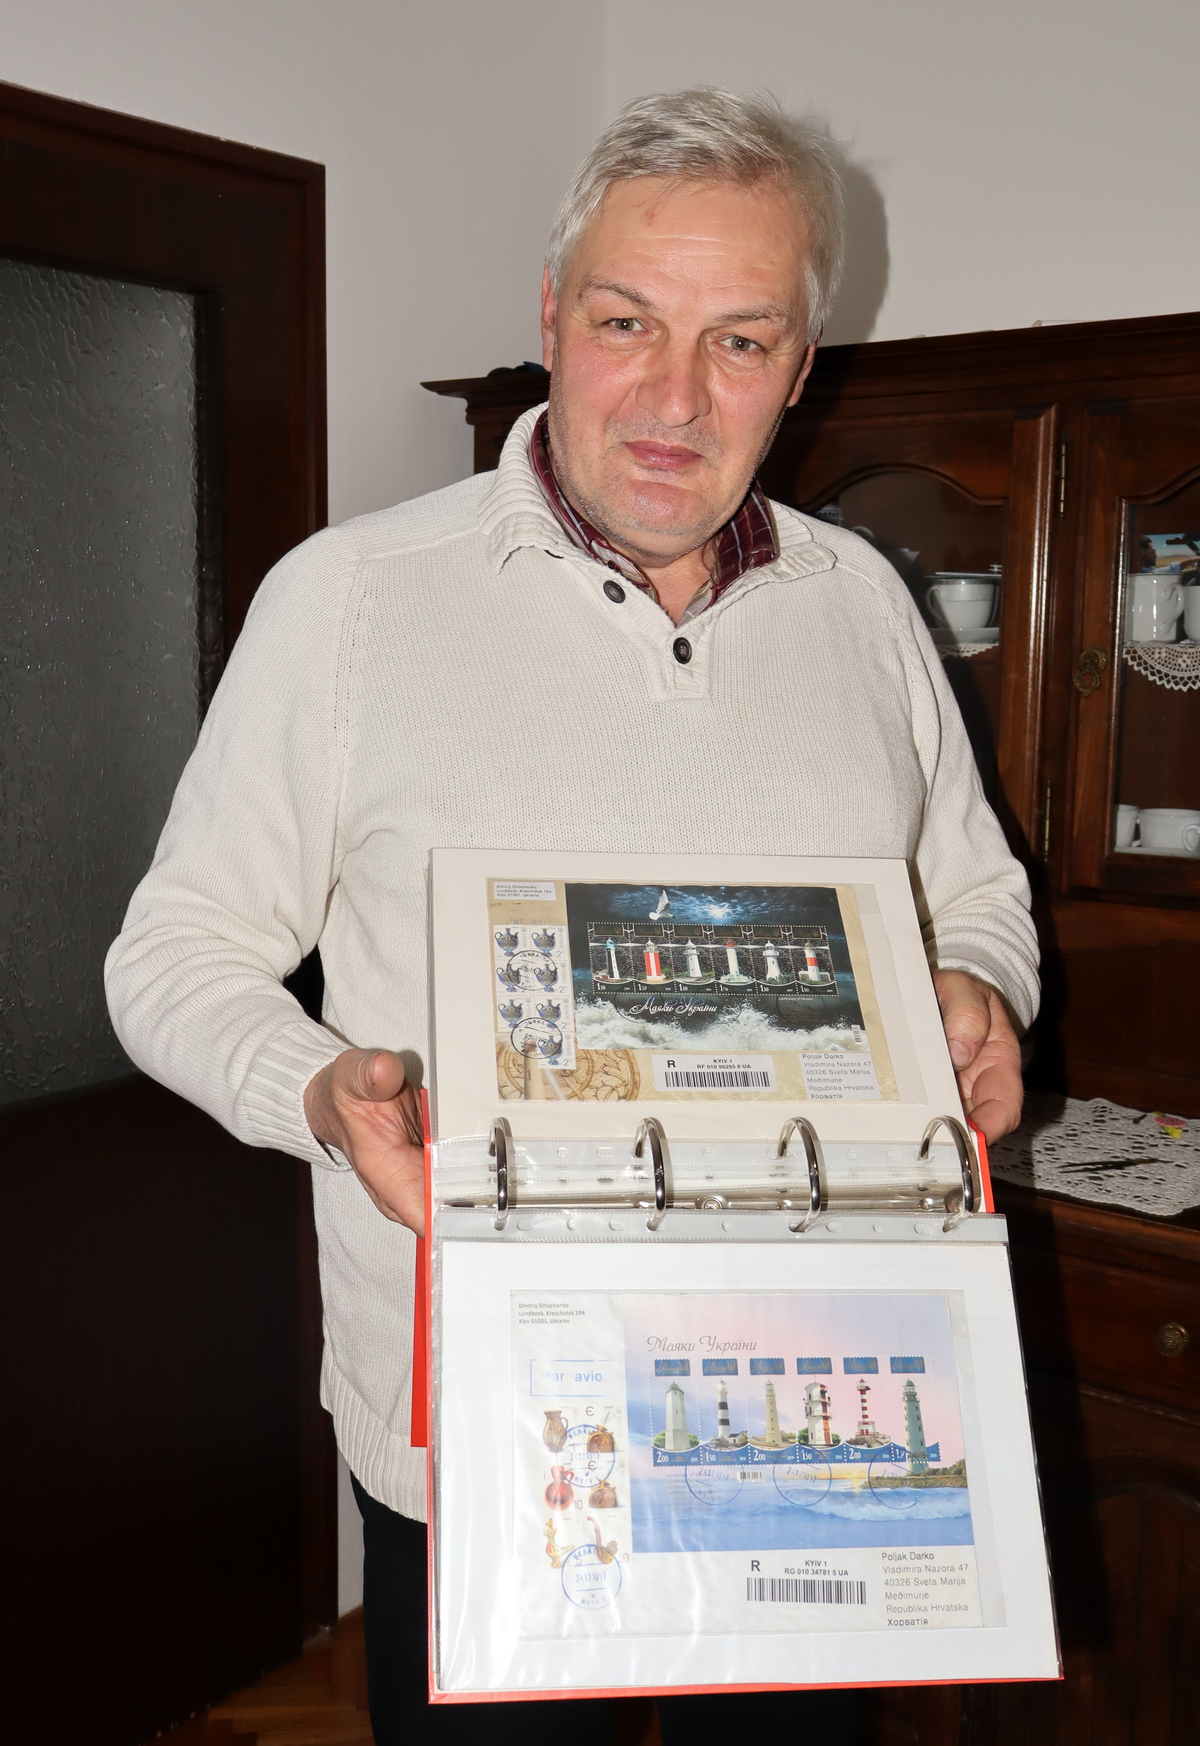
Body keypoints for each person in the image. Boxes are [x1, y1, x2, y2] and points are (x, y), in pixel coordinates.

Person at [107, 87, 1037, 1745]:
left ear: (801, 367)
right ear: (549, 319)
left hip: (809, 1411)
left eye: (740, 340)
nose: (676, 397)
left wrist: (974, 984)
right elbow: (173, 955)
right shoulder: (351, 600)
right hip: (490, 1420)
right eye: (626, 322)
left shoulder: (864, 607)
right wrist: (317, 1089)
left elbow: (974, 891)